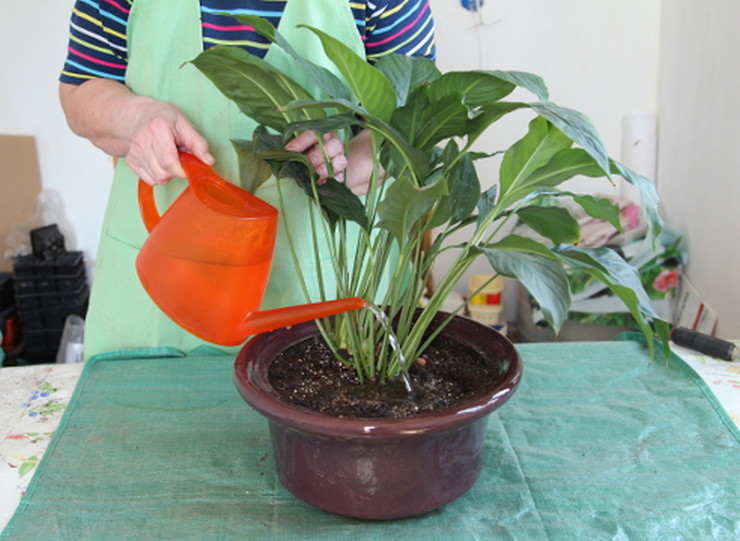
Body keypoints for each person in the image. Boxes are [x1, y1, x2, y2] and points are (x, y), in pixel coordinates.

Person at [59, 0, 436, 360]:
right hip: (165, 278)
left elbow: (421, 101)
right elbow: (81, 89)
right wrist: (138, 117)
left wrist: (364, 155)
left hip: (326, 276)